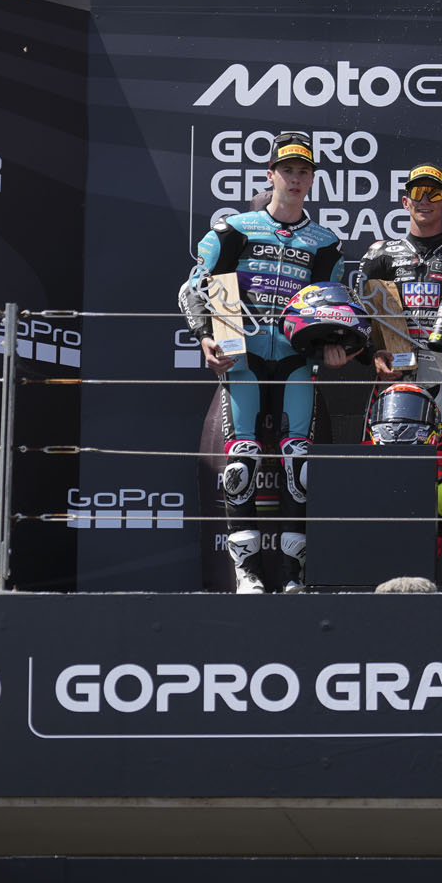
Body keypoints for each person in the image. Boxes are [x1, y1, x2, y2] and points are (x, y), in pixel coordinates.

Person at [178, 131, 350, 594]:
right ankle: (247, 573)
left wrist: (335, 348)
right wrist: (205, 336)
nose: (295, 179)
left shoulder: (325, 244)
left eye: (303, 171)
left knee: (301, 464)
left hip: (295, 358)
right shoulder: (234, 230)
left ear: (312, 180)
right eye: (287, 170)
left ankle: (294, 575)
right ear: (270, 174)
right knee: (241, 464)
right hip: (243, 355)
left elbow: (331, 311)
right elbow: (192, 289)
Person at [353, 164, 442, 526]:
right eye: (417, 193)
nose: (425, 200)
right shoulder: (381, 253)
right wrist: (371, 355)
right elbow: (357, 316)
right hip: (392, 372)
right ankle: (379, 554)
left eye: (434, 193)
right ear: (405, 201)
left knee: (437, 478)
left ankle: (430, 556)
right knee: (379, 464)